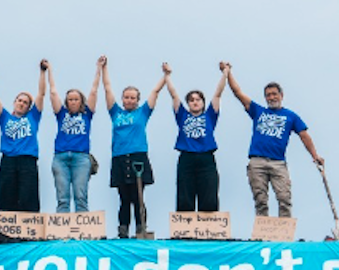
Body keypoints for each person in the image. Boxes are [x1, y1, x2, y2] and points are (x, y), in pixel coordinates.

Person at [225, 63, 325, 218]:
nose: (271, 97)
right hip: (257, 161)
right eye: (268, 95)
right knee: (261, 200)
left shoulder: (291, 116)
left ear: (281, 95)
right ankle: (263, 235)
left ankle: (284, 235)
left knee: (284, 198)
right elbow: (238, 93)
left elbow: (304, 135)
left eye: (274, 94)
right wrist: (228, 72)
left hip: (278, 163)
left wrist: (315, 155)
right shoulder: (258, 111)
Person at [101, 57, 168, 238]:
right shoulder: (115, 112)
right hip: (119, 157)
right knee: (123, 198)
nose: (129, 100)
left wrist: (165, 76)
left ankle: (141, 229)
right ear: (123, 99)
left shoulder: (143, 112)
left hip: (138, 156)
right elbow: (107, 88)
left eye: (133, 97)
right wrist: (103, 68)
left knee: (138, 197)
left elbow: (155, 91)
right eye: (126, 97)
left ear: (138, 100)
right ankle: (123, 230)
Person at [164, 62, 228, 212]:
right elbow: (173, 94)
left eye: (198, 99)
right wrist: (167, 75)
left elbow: (218, 93)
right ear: (188, 104)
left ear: (203, 102)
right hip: (187, 158)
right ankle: (185, 231)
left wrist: (225, 73)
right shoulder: (182, 115)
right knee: (185, 195)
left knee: (209, 195)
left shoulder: (210, 115)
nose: (195, 102)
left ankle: (208, 230)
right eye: (191, 100)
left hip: (206, 158)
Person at [0, 59, 46, 212]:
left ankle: (30, 232)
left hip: (27, 161)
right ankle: (4, 233)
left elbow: (41, 94)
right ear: (14, 102)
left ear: (28, 107)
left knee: (28, 196)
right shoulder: (5, 117)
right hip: (8, 161)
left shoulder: (33, 117)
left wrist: (42, 72)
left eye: (25, 102)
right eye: (19, 100)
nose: (21, 103)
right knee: (6, 195)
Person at [48, 57, 102, 213]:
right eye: (70, 99)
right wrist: (49, 69)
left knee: (80, 196)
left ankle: (82, 234)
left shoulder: (87, 114)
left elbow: (94, 90)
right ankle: (62, 234)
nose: (72, 102)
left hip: (81, 158)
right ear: (66, 101)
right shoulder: (61, 113)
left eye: (76, 99)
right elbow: (52, 92)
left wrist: (99, 68)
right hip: (61, 157)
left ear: (81, 101)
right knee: (62, 198)